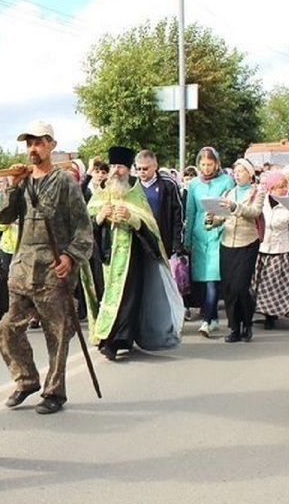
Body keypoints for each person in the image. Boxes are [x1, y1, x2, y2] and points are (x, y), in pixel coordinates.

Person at [0, 120, 93, 415]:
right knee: (6, 329)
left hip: (53, 270)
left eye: (38, 142)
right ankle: (26, 380)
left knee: (58, 332)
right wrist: (11, 186)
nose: (33, 148)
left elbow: (83, 228)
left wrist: (70, 257)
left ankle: (54, 391)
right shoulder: (21, 180)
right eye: (29, 143)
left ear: (51, 145)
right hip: (23, 269)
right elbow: (2, 217)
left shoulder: (65, 182)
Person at [88, 146, 184, 361]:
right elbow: (85, 223)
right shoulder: (100, 193)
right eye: (113, 166)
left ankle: (114, 342)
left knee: (127, 299)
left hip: (132, 256)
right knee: (106, 297)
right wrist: (100, 217)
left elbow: (149, 225)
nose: (115, 171)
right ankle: (108, 338)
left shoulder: (135, 192)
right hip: (104, 256)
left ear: (128, 169)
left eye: (120, 167)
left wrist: (132, 218)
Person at [209, 157, 265, 342]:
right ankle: (234, 327)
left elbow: (254, 212)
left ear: (250, 174)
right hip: (227, 243)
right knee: (229, 288)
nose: (237, 174)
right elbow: (221, 217)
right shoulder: (229, 193)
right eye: (235, 171)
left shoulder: (257, 191)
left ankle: (246, 323)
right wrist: (211, 219)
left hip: (247, 242)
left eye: (241, 171)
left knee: (241, 286)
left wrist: (235, 207)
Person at [183, 147, 234, 337]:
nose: (206, 168)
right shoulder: (194, 184)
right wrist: (187, 238)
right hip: (199, 235)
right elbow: (190, 211)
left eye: (209, 164)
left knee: (213, 280)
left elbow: (229, 209)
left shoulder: (227, 181)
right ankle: (212, 319)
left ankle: (206, 320)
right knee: (202, 282)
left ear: (217, 163)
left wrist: (218, 218)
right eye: (203, 164)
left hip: (219, 234)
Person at [252, 170, 289, 328]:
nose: (283, 190)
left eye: (285, 186)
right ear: (271, 188)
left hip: (281, 250)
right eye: (279, 187)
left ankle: (271, 316)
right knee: (258, 284)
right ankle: (263, 312)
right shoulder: (261, 203)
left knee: (274, 284)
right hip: (262, 248)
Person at [133, 149, 184, 261]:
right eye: (138, 168)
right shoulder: (133, 186)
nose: (142, 171)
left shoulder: (168, 184)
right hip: (140, 242)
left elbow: (178, 216)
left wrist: (177, 244)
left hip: (163, 241)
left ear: (155, 166)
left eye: (145, 168)